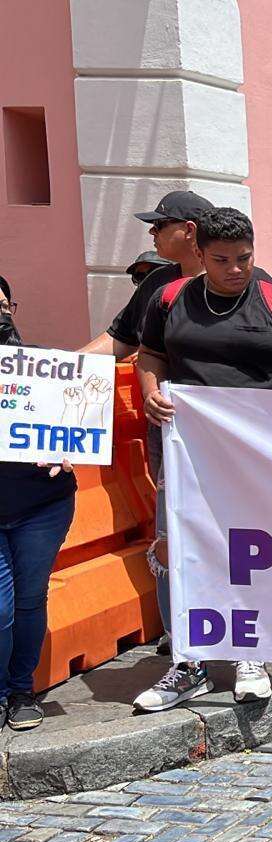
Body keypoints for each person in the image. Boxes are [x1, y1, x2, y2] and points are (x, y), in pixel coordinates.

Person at [133, 207, 272, 713]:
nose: (235, 269)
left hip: (255, 453)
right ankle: (188, 661)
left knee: (251, 549)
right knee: (176, 546)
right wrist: (150, 390)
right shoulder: (168, 298)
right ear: (198, 254)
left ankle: (250, 651)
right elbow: (149, 355)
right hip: (184, 449)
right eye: (221, 260)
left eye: (244, 258)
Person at [0, 275, 76, 731]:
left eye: (4, 303)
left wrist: (72, 452)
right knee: (1, 606)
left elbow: (75, 425)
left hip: (41, 504)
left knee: (30, 599)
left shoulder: (43, 368)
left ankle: (21, 690)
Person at [80, 190, 215, 358]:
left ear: (189, 229)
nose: (152, 231)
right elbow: (120, 339)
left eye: (159, 224)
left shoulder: (231, 283)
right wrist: (69, 363)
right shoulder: (156, 281)